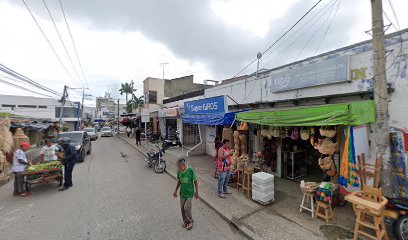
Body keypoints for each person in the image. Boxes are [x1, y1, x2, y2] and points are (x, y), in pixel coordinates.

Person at [173, 158, 198, 230]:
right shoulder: (179, 171)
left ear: (183, 165)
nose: (178, 169)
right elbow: (179, 181)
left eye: (179, 167)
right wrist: (175, 190)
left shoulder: (190, 170)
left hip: (190, 193)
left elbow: (195, 181)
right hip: (182, 193)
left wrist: (197, 192)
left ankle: (190, 221)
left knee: (186, 207)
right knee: (182, 208)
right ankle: (185, 220)